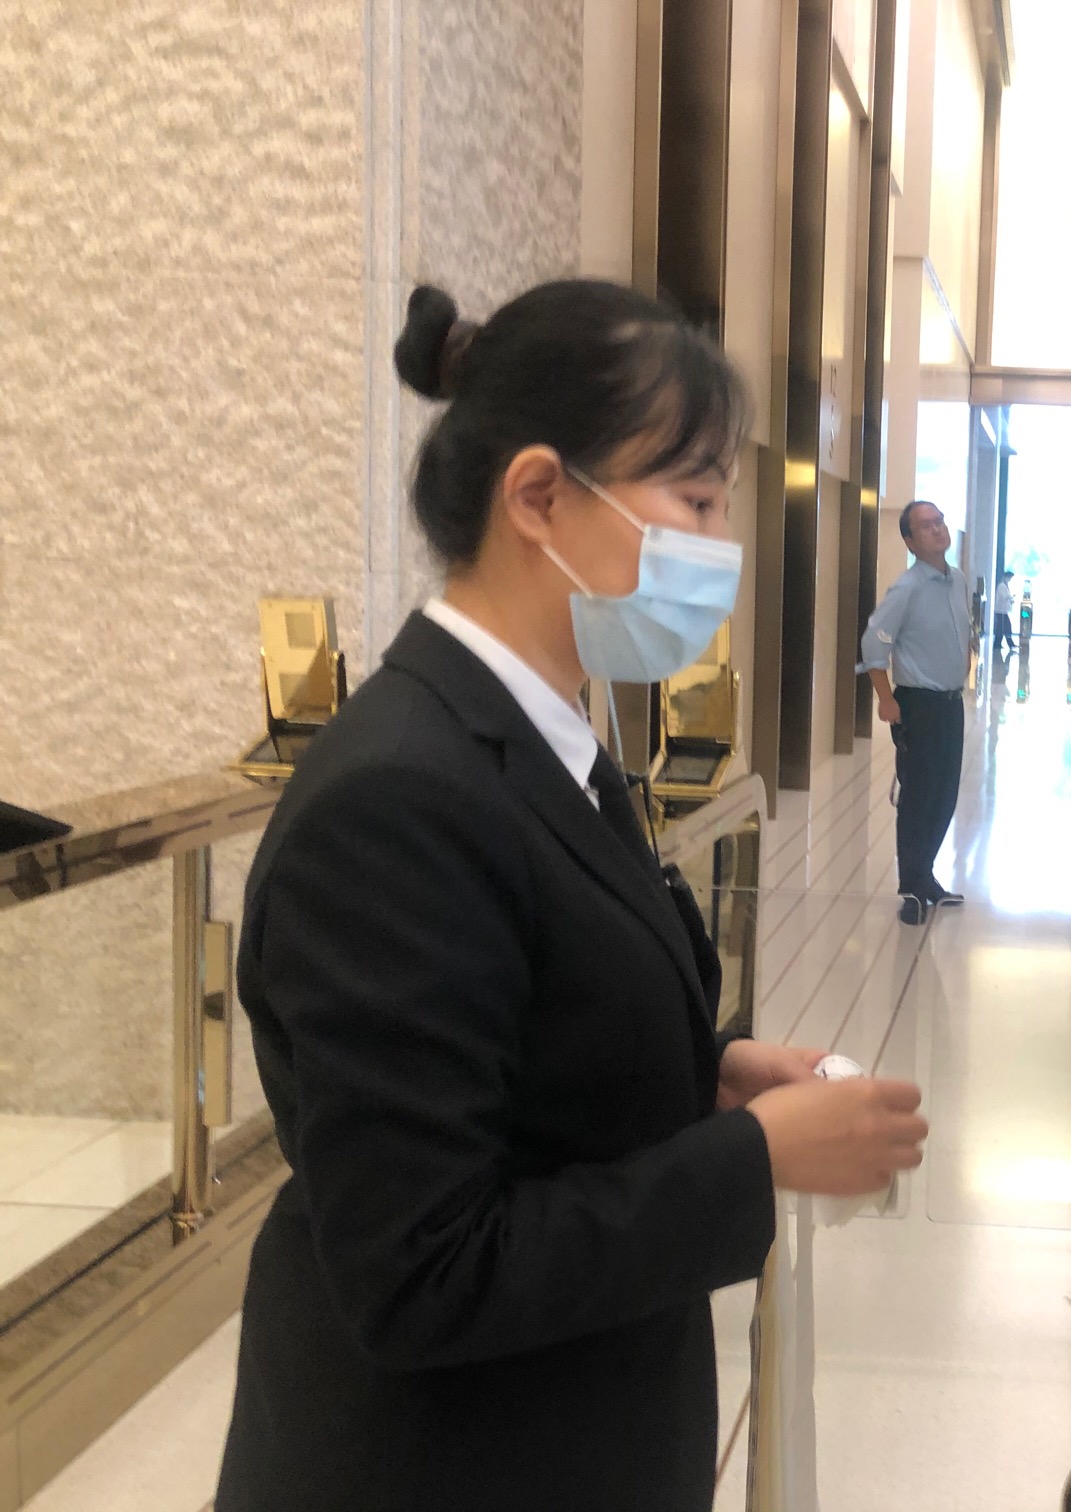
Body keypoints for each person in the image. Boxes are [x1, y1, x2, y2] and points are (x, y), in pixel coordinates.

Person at [216, 281, 928, 1512]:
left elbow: (528, 1029)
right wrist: (751, 1159)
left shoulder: (550, 742)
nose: (720, 543)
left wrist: (703, 1077)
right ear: (540, 497)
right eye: (694, 500)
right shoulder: (397, 802)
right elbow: (422, 1269)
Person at [863, 500, 971, 926]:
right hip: (918, 705)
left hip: (950, 704)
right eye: (926, 526)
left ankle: (925, 876)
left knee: (944, 796)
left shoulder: (958, 580)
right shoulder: (906, 589)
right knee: (917, 799)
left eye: (939, 521)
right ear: (910, 541)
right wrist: (885, 699)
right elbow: (873, 645)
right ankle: (911, 889)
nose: (937, 529)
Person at [993, 567, 1018, 658]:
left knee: (1002, 627)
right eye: (1009, 578)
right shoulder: (1001, 586)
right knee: (1005, 626)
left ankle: (999, 643)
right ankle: (1005, 643)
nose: (1009, 580)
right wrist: (1011, 597)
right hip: (1001, 611)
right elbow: (1003, 597)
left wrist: (1010, 600)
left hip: (1003, 611)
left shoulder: (1004, 586)